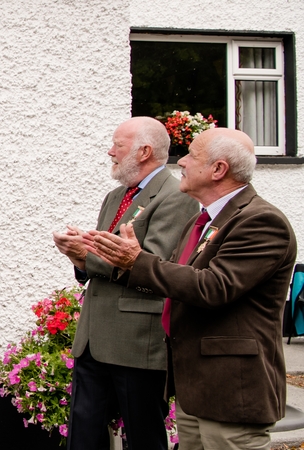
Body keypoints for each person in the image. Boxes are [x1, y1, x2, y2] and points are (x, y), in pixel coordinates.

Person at [83, 127, 297, 450]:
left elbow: (213, 287)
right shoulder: (205, 221)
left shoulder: (261, 221)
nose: (180, 161)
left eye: (192, 155)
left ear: (218, 169)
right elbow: (173, 275)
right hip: (196, 390)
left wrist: (136, 261)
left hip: (230, 394)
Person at [52, 116, 199, 449]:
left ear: (144, 151)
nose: (110, 152)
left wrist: (87, 255)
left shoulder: (176, 197)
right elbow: (102, 259)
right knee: (83, 434)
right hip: (94, 338)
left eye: (118, 145)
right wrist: (79, 256)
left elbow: (154, 264)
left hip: (136, 342)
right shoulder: (116, 196)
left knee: (144, 435)